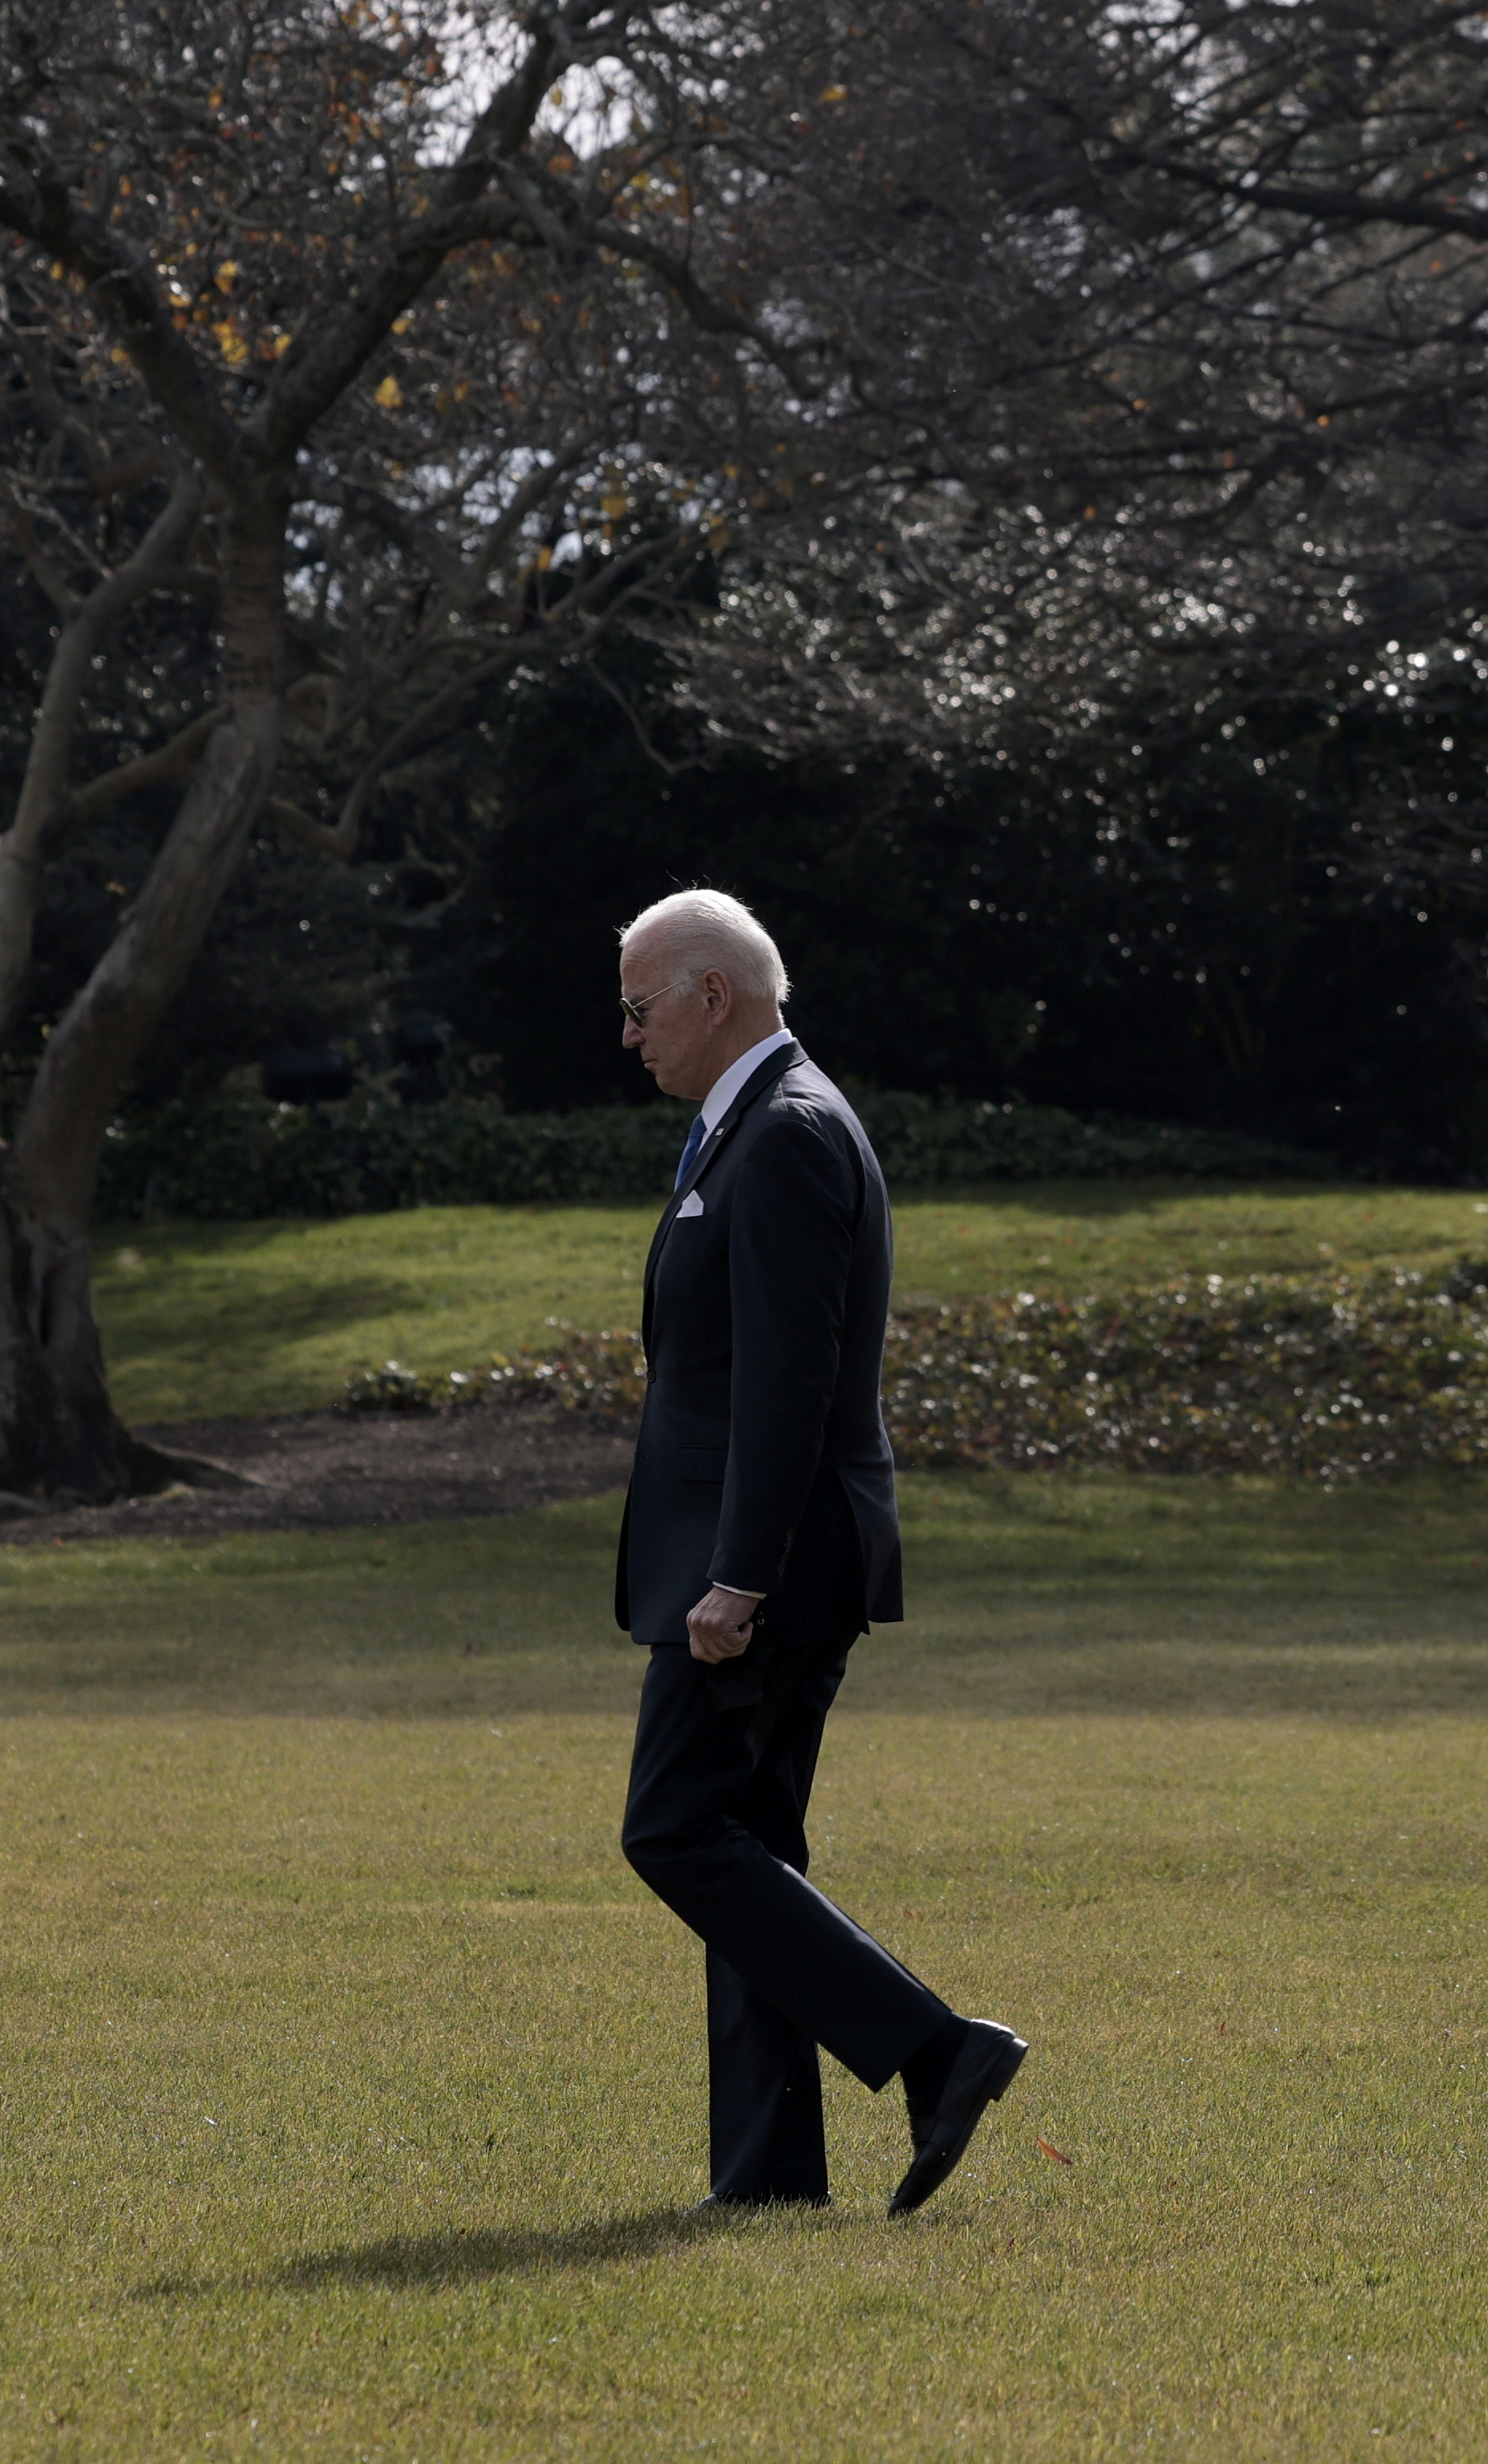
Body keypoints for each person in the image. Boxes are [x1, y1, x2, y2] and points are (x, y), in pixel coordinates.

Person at [607, 885, 1023, 2215]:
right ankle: (769, 2175)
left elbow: (784, 1383)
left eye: (638, 1006)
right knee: (747, 1850)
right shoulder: (747, 1125)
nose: (628, 1035)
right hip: (765, 1551)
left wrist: (738, 1575)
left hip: (766, 1564)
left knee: (675, 1828)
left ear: (708, 995)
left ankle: (936, 2045)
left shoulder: (782, 1133)